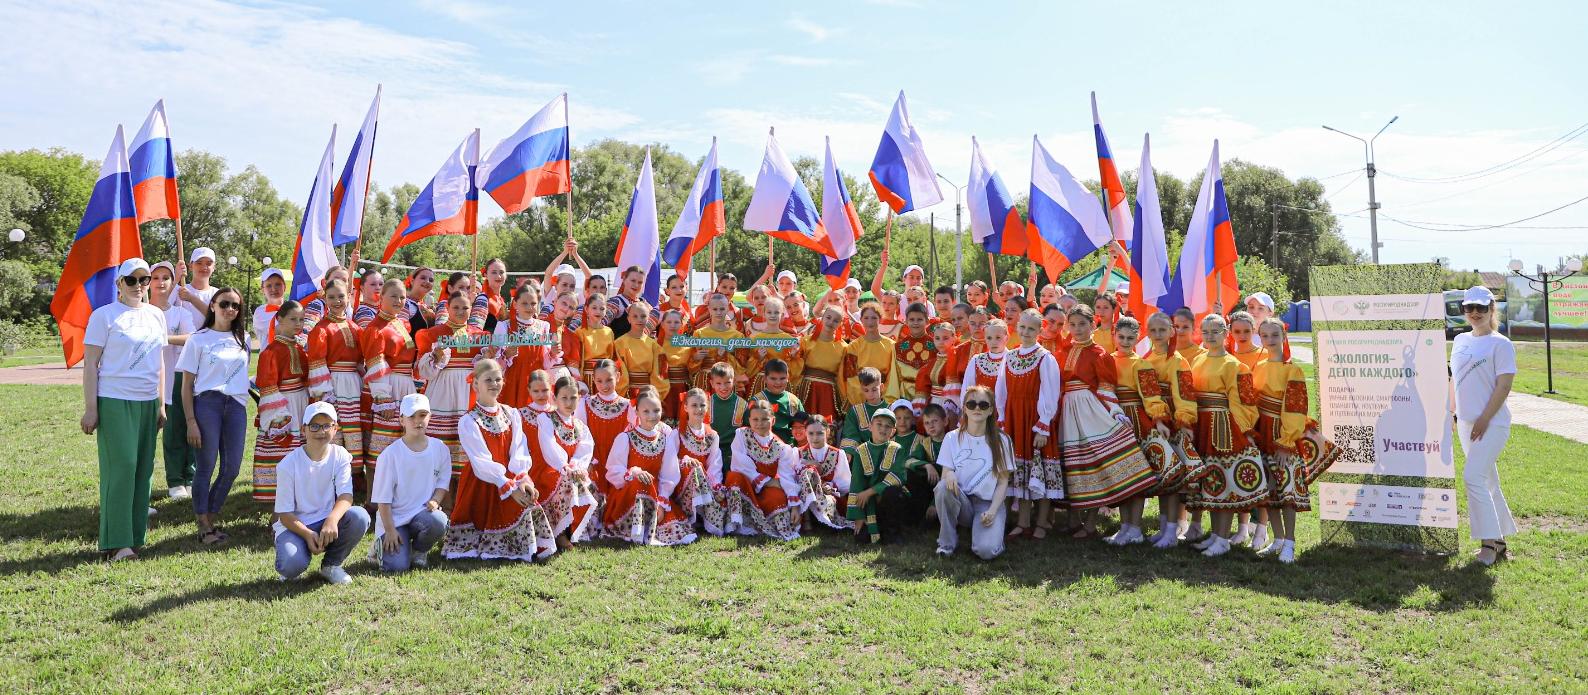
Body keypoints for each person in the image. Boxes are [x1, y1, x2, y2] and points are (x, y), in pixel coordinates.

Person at [81, 258, 168, 561]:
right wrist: (91, 408)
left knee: (143, 470)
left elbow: (159, 362)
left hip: (147, 402)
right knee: (122, 468)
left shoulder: (156, 315)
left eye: (144, 280)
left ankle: (134, 536)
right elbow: (90, 364)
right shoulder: (104, 316)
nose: (138, 286)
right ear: (119, 283)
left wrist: (160, 403)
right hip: (115, 400)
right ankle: (116, 542)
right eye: (131, 280)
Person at [443, 360, 558, 562]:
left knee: (526, 503)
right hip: (483, 482)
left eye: (498, 379)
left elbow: (519, 448)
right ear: (476, 384)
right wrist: (507, 486)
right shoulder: (469, 421)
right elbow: (481, 461)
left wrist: (522, 478)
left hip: (510, 477)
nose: (494, 384)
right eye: (488, 380)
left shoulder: (511, 413)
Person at [1251, 318, 1337, 563]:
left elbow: (1296, 407)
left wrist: (1286, 442)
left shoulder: (1292, 370)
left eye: (1274, 335)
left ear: (1283, 337)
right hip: (1263, 432)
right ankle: (1277, 539)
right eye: (1265, 335)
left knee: (1286, 489)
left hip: (1283, 434)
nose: (1270, 340)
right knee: (1269, 489)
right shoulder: (1258, 366)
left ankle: (1290, 542)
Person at [1186, 314, 1267, 558]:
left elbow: (1244, 401)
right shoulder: (1198, 359)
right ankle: (1215, 535)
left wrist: (1245, 429)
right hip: (1202, 424)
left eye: (1216, 331)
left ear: (1225, 333)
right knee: (1210, 481)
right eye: (1206, 331)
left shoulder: (1234, 365)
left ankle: (1223, 539)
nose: (1210, 336)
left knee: (1224, 481)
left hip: (1223, 427)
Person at [178, 286, 253, 547]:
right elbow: (186, 385)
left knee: (232, 468)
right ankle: (203, 523)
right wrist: (191, 421)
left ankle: (210, 515)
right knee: (206, 466)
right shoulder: (198, 339)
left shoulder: (243, 339)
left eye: (235, 305)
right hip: (207, 404)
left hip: (236, 407)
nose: (230, 309)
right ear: (212, 306)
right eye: (224, 304)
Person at [1451, 286, 1518, 566]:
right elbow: (1455, 379)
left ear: (1491, 308)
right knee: (1488, 480)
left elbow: (1504, 386)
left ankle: (1488, 544)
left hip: (1492, 424)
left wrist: (1484, 418)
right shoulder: (1459, 340)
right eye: (1469, 308)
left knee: (1473, 477)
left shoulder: (1501, 344)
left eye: (1481, 307)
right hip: (1465, 423)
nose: (1475, 313)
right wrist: (1454, 413)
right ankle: (1499, 541)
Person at [273, 402, 370, 585]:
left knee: (360, 516)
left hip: (326, 521)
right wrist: (307, 534)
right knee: (291, 565)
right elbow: (284, 515)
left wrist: (332, 519)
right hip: (295, 526)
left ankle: (331, 565)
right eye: (314, 426)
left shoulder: (340, 455)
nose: (321, 431)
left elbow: (346, 496)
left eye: (326, 426)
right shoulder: (288, 465)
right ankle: (292, 560)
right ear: (304, 430)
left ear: (335, 429)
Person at [603, 390, 708, 545]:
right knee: (640, 481)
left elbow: (669, 475)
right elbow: (613, 470)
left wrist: (662, 501)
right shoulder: (625, 438)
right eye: (646, 411)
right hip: (628, 495)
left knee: (673, 528)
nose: (652, 415)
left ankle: (651, 516)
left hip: (654, 494)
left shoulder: (665, 440)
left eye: (656, 410)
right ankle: (634, 525)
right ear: (637, 412)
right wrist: (633, 473)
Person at [1106, 316, 1174, 546]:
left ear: (1137, 339)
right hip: (1113, 419)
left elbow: (1152, 395)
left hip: (1135, 420)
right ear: (1114, 335)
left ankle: (1135, 528)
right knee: (1122, 474)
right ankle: (1124, 527)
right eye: (1121, 337)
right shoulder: (1108, 360)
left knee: (1135, 474)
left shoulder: (1141, 364)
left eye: (1130, 338)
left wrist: (1159, 420)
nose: (1125, 342)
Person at [994, 310, 1062, 539]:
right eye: (1022, 327)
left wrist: (1043, 424)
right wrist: (1002, 417)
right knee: (1020, 471)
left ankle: (1042, 522)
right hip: (1015, 418)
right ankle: (1023, 522)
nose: (1025, 332)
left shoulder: (1045, 358)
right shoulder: (1010, 356)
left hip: (1034, 419)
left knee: (1040, 468)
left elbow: (1050, 392)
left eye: (1031, 328)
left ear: (1040, 330)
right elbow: (1001, 390)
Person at [415, 290, 492, 480]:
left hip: (469, 393)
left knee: (466, 444)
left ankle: (462, 488)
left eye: (465, 308)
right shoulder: (433, 334)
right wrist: (435, 357)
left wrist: (489, 358)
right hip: (442, 392)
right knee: (440, 442)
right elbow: (423, 371)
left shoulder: (480, 336)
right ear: (447, 308)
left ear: (471, 309)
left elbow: (487, 370)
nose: (460, 311)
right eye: (455, 307)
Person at [1140, 311, 1202, 548]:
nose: (1158, 334)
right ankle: (1164, 527)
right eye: (1153, 330)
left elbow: (1184, 393)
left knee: (1174, 478)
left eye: (1162, 330)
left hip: (1173, 423)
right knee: (1162, 477)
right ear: (1147, 332)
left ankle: (1172, 530)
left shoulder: (1177, 360)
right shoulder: (1146, 358)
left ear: (1171, 331)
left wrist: (1184, 421)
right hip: (1154, 422)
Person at [371, 394, 452, 572]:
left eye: (422, 415)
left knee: (439, 521)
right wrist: (390, 530)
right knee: (397, 567)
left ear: (430, 417)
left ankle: (419, 550)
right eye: (411, 416)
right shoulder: (390, 455)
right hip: (394, 521)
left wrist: (436, 500)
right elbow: (383, 500)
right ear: (401, 420)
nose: (417, 421)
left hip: (421, 515)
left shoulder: (440, 448)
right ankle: (379, 546)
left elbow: (443, 481)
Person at [934, 385, 1015, 560]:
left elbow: (1003, 482)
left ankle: (992, 537)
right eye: (971, 404)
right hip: (962, 500)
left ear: (991, 410)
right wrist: (949, 474)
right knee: (942, 487)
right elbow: (945, 474)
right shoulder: (951, 438)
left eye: (983, 405)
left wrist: (993, 510)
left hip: (987, 504)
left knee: (986, 551)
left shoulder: (1002, 440)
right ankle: (946, 543)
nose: (977, 408)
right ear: (964, 408)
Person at [306, 279, 366, 474]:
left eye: (341, 296)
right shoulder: (321, 329)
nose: (337, 301)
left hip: (353, 383)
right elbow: (317, 361)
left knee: (353, 427)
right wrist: (323, 392)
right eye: (331, 297)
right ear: (325, 299)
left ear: (349, 297)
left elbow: (361, 359)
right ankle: (333, 472)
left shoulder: (355, 327)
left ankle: (354, 474)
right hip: (333, 383)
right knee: (335, 427)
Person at [253, 300, 310, 502]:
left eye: (301, 319)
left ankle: (300, 498)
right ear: (279, 319)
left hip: (302, 402)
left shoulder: (300, 347)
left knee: (302, 449)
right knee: (283, 450)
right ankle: (279, 503)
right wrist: (278, 417)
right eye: (293, 319)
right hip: (284, 404)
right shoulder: (271, 351)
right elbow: (268, 386)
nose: (298, 324)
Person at [361, 281, 420, 475]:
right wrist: (383, 399)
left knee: (403, 443)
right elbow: (375, 363)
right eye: (394, 296)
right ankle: (373, 490)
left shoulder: (399, 323)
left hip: (405, 385)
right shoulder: (376, 328)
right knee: (382, 446)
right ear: (381, 297)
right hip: (389, 386)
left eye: (402, 297)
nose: (399, 300)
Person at [536, 375, 602, 545]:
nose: (568, 402)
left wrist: (577, 466)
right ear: (554, 398)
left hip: (573, 469)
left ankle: (575, 528)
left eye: (573, 398)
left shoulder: (580, 425)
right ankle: (559, 532)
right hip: (552, 470)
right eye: (564, 398)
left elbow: (585, 449)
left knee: (587, 482)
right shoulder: (546, 419)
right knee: (566, 481)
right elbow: (549, 446)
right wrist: (565, 466)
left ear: (579, 398)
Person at [724, 399, 803, 540]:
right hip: (746, 486)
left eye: (765, 419)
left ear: (773, 420)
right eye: (755, 419)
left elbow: (786, 475)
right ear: (749, 420)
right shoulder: (741, 435)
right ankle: (738, 523)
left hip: (767, 490)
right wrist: (767, 481)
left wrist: (795, 505)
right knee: (734, 477)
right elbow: (740, 464)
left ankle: (770, 525)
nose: (759, 423)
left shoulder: (782, 447)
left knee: (777, 497)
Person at [150, 261, 196, 501]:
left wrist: (164, 338)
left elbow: (191, 337)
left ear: (172, 283)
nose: (160, 282)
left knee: (186, 428)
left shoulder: (181, 313)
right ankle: (175, 480)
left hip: (178, 377)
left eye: (165, 278)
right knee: (169, 434)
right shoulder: (143, 312)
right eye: (155, 278)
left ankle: (190, 477)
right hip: (151, 379)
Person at [671, 388, 734, 535]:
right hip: (682, 484)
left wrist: (716, 486)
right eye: (694, 405)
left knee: (725, 493)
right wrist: (685, 461)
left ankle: (703, 515)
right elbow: (669, 463)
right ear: (685, 407)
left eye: (702, 405)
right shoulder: (677, 433)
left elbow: (714, 465)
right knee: (694, 468)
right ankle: (692, 517)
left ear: (707, 407)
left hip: (705, 482)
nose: (699, 409)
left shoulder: (712, 435)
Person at [844, 406, 908, 544]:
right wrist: (859, 516)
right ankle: (876, 526)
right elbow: (857, 484)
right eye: (879, 424)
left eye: (888, 426)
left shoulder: (897, 449)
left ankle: (893, 533)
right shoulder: (860, 451)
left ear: (893, 431)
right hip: (869, 503)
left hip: (889, 499)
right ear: (870, 426)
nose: (883, 429)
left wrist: (870, 492)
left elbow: (898, 476)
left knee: (893, 492)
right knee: (861, 538)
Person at [578, 359, 631, 500]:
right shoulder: (584, 403)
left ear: (618, 377)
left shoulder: (629, 406)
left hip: (619, 465)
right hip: (593, 464)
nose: (604, 385)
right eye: (599, 381)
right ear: (593, 379)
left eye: (609, 380)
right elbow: (579, 437)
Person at [494, 283, 553, 409]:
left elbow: (546, 362)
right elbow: (494, 361)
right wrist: (506, 355)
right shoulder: (504, 326)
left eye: (533, 303)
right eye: (524, 303)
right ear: (515, 304)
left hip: (537, 380)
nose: (529, 307)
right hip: (513, 380)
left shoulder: (543, 326)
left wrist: (553, 353)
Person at [796, 414, 850, 531]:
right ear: (805, 433)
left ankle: (818, 520)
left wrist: (830, 486)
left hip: (828, 495)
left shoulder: (838, 454)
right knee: (808, 472)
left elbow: (846, 483)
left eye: (820, 433)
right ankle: (807, 519)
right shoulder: (797, 453)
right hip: (804, 496)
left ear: (828, 432)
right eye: (811, 433)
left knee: (826, 500)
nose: (815, 438)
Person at [796, 306, 848, 424]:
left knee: (826, 425)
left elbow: (842, 376)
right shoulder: (806, 341)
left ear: (840, 324)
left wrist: (843, 398)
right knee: (805, 423)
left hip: (828, 392)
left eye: (836, 320)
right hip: (807, 388)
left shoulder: (844, 347)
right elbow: (797, 367)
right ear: (822, 318)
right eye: (828, 317)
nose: (831, 322)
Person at [841, 303, 901, 405]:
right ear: (861, 320)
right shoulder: (854, 346)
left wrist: (883, 395)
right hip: (860, 398)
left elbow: (893, 374)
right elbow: (851, 376)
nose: (870, 322)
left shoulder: (891, 345)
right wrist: (863, 395)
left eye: (874, 318)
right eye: (866, 318)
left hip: (884, 397)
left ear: (880, 319)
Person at [742, 297, 803, 395]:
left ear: (782, 315)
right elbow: (749, 369)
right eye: (769, 312)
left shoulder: (789, 340)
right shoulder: (755, 339)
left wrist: (792, 356)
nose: (773, 315)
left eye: (776, 312)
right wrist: (759, 358)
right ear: (764, 314)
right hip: (761, 383)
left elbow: (795, 372)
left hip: (781, 384)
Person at [613, 301, 669, 401]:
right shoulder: (619, 343)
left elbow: (660, 375)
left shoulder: (655, 346)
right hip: (626, 394)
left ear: (648, 318)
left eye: (643, 316)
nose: (639, 319)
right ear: (628, 319)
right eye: (635, 316)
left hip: (648, 394)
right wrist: (621, 396)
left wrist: (656, 396)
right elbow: (617, 371)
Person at [688, 293, 746, 391]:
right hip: (704, 380)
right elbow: (690, 364)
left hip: (726, 381)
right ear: (709, 309)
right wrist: (696, 357)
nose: (718, 312)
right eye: (715, 309)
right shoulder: (699, 334)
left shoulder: (738, 336)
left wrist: (725, 356)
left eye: (722, 309)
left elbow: (742, 367)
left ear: (727, 309)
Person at [903, 403, 948, 527]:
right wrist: (927, 466)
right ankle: (921, 518)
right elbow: (908, 461)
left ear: (945, 421)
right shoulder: (925, 443)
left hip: (949, 485)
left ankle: (935, 514)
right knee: (912, 474)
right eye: (927, 423)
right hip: (932, 484)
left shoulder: (952, 441)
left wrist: (934, 503)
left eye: (935, 421)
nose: (931, 426)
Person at [705, 362, 749, 473]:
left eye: (727, 383)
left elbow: (747, 431)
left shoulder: (742, 404)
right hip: (710, 451)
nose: (723, 387)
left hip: (734, 453)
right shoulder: (706, 403)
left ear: (734, 381)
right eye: (718, 383)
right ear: (712, 383)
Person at [913, 322, 960, 420]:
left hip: (951, 404)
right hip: (933, 403)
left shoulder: (958, 360)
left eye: (945, 338)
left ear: (954, 338)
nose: (941, 342)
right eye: (937, 338)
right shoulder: (930, 364)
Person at [892, 302, 936, 402]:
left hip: (929, 397)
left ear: (927, 321)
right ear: (906, 321)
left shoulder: (936, 346)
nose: (915, 323)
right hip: (905, 397)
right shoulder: (897, 347)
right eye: (912, 319)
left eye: (919, 319)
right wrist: (893, 401)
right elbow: (894, 377)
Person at [837, 367, 889, 450]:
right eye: (866, 390)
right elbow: (850, 436)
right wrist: (849, 452)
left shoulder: (891, 409)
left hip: (888, 453)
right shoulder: (855, 412)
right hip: (863, 454)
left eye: (874, 390)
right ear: (861, 389)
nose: (870, 394)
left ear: (882, 387)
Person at [755, 358, 804, 444]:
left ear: (788, 377)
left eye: (782, 378)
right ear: (765, 378)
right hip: (763, 446)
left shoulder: (794, 401)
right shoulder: (757, 401)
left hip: (790, 447)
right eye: (773, 378)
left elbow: (804, 426)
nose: (778, 382)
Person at [959, 320, 1009, 402]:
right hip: (980, 408)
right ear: (985, 338)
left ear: (1006, 337)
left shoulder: (1012, 360)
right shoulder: (977, 360)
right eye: (989, 338)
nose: (993, 342)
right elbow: (967, 390)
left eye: (998, 337)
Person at [252, 267, 287, 343]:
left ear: (284, 287)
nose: (274, 289)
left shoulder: (293, 309)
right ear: (262, 289)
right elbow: (283, 331)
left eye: (278, 284)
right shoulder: (260, 312)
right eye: (268, 285)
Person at [402, 266, 437, 334]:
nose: (427, 281)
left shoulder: (424, 306)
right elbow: (399, 330)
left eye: (431, 280)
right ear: (412, 281)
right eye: (423, 278)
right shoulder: (403, 302)